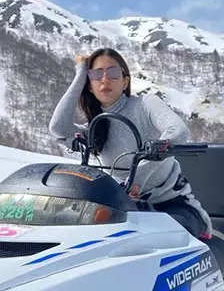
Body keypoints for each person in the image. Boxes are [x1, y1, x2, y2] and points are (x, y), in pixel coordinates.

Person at [49, 48, 212, 238]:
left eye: (113, 73)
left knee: (161, 238)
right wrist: (80, 75)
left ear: (125, 81)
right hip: (124, 206)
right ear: (90, 85)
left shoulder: (145, 104)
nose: (105, 79)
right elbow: (58, 128)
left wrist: (140, 175)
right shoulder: (96, 126)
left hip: (173, 205)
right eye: (96, 74)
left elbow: (179, 131)